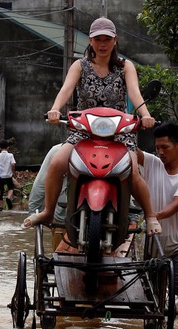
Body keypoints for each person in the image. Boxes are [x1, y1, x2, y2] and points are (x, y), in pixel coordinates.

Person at [22, 16, 161, 235]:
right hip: (84, 130)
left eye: (107, 39)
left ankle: (151, 216)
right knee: (58, 162)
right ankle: (49, 211)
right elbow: (66, 90)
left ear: (115, 40)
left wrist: (146, 115)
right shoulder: (80, 65)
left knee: (133, 172)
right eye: (98, 39)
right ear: (90, 41)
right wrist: (55, 109)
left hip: (119, 132)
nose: (102, 44)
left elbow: (135, 93)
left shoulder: (126, 66)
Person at [137, 123, 178, 310]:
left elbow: (175, 205)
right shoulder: (152, 163)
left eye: (165, 147)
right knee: (152, 297)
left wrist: (151, 216)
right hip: (153, 242)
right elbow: (130, 151)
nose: (160, 152)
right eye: (157, 148)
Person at [0, 139, 16, 211]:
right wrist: (13, 172)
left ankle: (0, 207)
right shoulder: (10, 155)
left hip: (0, 176)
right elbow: (13, 164)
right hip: (8, 175)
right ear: (8, 147)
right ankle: (8, 198)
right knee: (11, 188)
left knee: (0, 190)